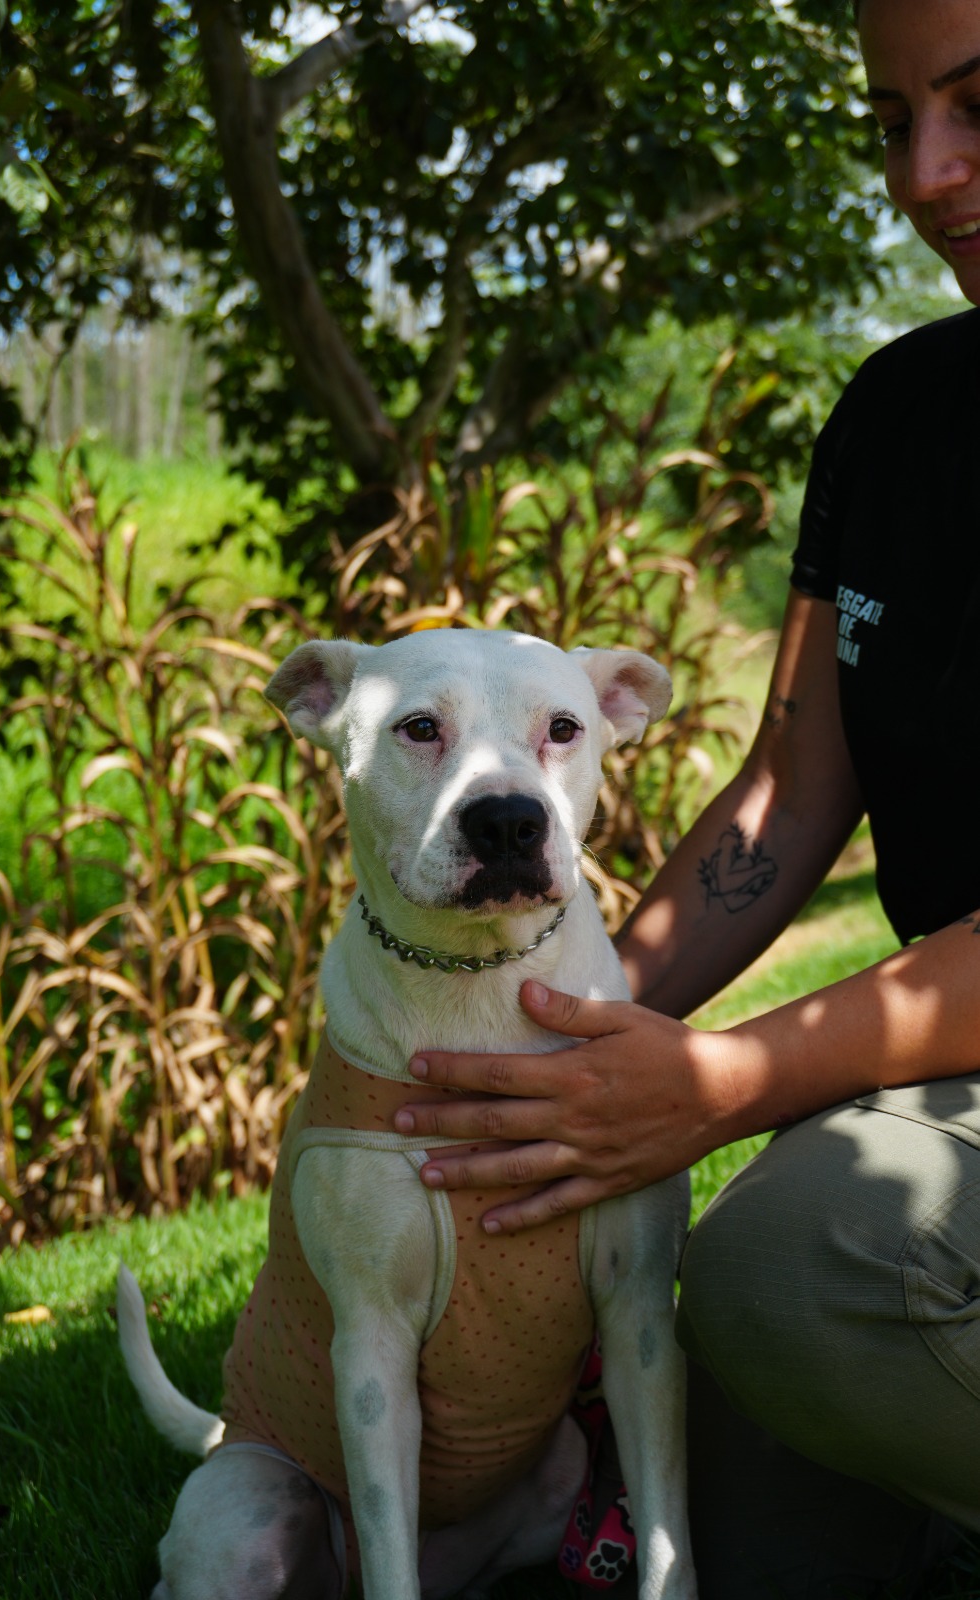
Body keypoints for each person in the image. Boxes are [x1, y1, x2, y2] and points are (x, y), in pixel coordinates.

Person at [391, 0, 980, 1592]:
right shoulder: (897, 416)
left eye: (975, 106)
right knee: (732, 1511)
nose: (924, 174)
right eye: (890, 122)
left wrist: (719, 1083)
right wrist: (552, 1048)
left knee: (796, 1265)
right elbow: (789, 788)